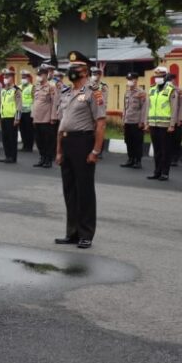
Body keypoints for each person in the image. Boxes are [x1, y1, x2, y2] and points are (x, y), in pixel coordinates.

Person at [55, 51, 106, 250]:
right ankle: (72, 232)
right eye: (70, 67)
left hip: (83, 142)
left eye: (74, 68)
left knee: (84, 190)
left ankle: (86, 234)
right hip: (66, 142)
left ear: (84, 71)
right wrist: (58, 150)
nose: (71, 71)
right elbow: (62, 125)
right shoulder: (67, 93)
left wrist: (95, 151)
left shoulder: (94, 92)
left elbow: (101, 124)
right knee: (70, 191)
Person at [142, 67, 178, 181]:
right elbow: (148, 106)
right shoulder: (152, 89)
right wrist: (146, 123)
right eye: (156, 76)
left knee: (165, 150)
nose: (157, 78)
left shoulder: (171, 89)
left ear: (166, 76)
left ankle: (165, 173)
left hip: (165, 125)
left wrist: (172, 124)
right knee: (156, 150)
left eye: (160, 76)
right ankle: (157, 172)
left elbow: (174, 108)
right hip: (153, 124)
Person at [32, 65, 57, 168]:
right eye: (37, 75)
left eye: (40, 74)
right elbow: (34, 102)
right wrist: (32, 116)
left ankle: (48, 160)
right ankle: (42, 158)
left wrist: (53, 117)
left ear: (46, 75)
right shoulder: (36, 86)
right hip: (37, 118)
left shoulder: (51, 86)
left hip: (46, 119)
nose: (38, 76)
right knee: (39, 140)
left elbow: (54, 102)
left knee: (48, 141)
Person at [120, 72, 145, 169]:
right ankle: (130, 159)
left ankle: (138, 161)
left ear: (136, 80)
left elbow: (144, 108)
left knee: (137, 142)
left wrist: (142, 121)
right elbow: (125, 108)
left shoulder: (141, 92)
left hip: (136, 121)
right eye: (128, 79)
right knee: (128, 141)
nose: (129, 81)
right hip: (128, 121)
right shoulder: (127, 92)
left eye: (131, 79)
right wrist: (123, 120)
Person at [0, 69, 22, 164]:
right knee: (5, 138)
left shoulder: (16, 90)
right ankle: (7, 156)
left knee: (12, 138)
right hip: (4, 117)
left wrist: (17, 118)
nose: (5, 78)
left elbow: (19, 105)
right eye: (4, 77)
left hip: (12, 118)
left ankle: (13, 157)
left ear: (12, 78)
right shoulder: (3, 90)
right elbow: (1, 104)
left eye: (7, 77)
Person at [19, 70, 34, 152]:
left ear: (28, 78)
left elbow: (34, 100)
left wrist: (33, 112)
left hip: (29, 111)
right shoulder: (19, 87)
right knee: (22, 129)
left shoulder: (32, 87)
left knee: (29, 129)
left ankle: (29, 146)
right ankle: (24, 145)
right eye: (22, 77)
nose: (23, 78)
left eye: (24, 77)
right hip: (21, 111)